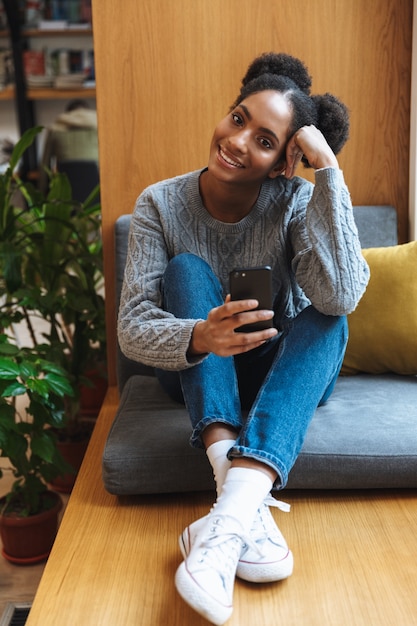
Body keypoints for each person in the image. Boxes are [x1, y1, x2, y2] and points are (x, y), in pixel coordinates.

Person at [118, 52, 370, 625]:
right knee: (186, 270)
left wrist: (327, 170)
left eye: (264, 140)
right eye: (237, 119)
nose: (236, 141)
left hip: (280, 370)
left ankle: (223, 525)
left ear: (285, 162)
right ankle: (239, 514)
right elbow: (133, 326)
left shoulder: (297, 200)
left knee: (330, 317)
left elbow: (342, 294)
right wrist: (202, 335)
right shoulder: (159, 202)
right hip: (196, 365)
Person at [39, 99, 98, 194]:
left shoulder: (54, 129)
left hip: (65, 195)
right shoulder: (100, 128)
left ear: (67, 114)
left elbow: (44, 166)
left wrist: (42, 193)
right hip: (96, 195)